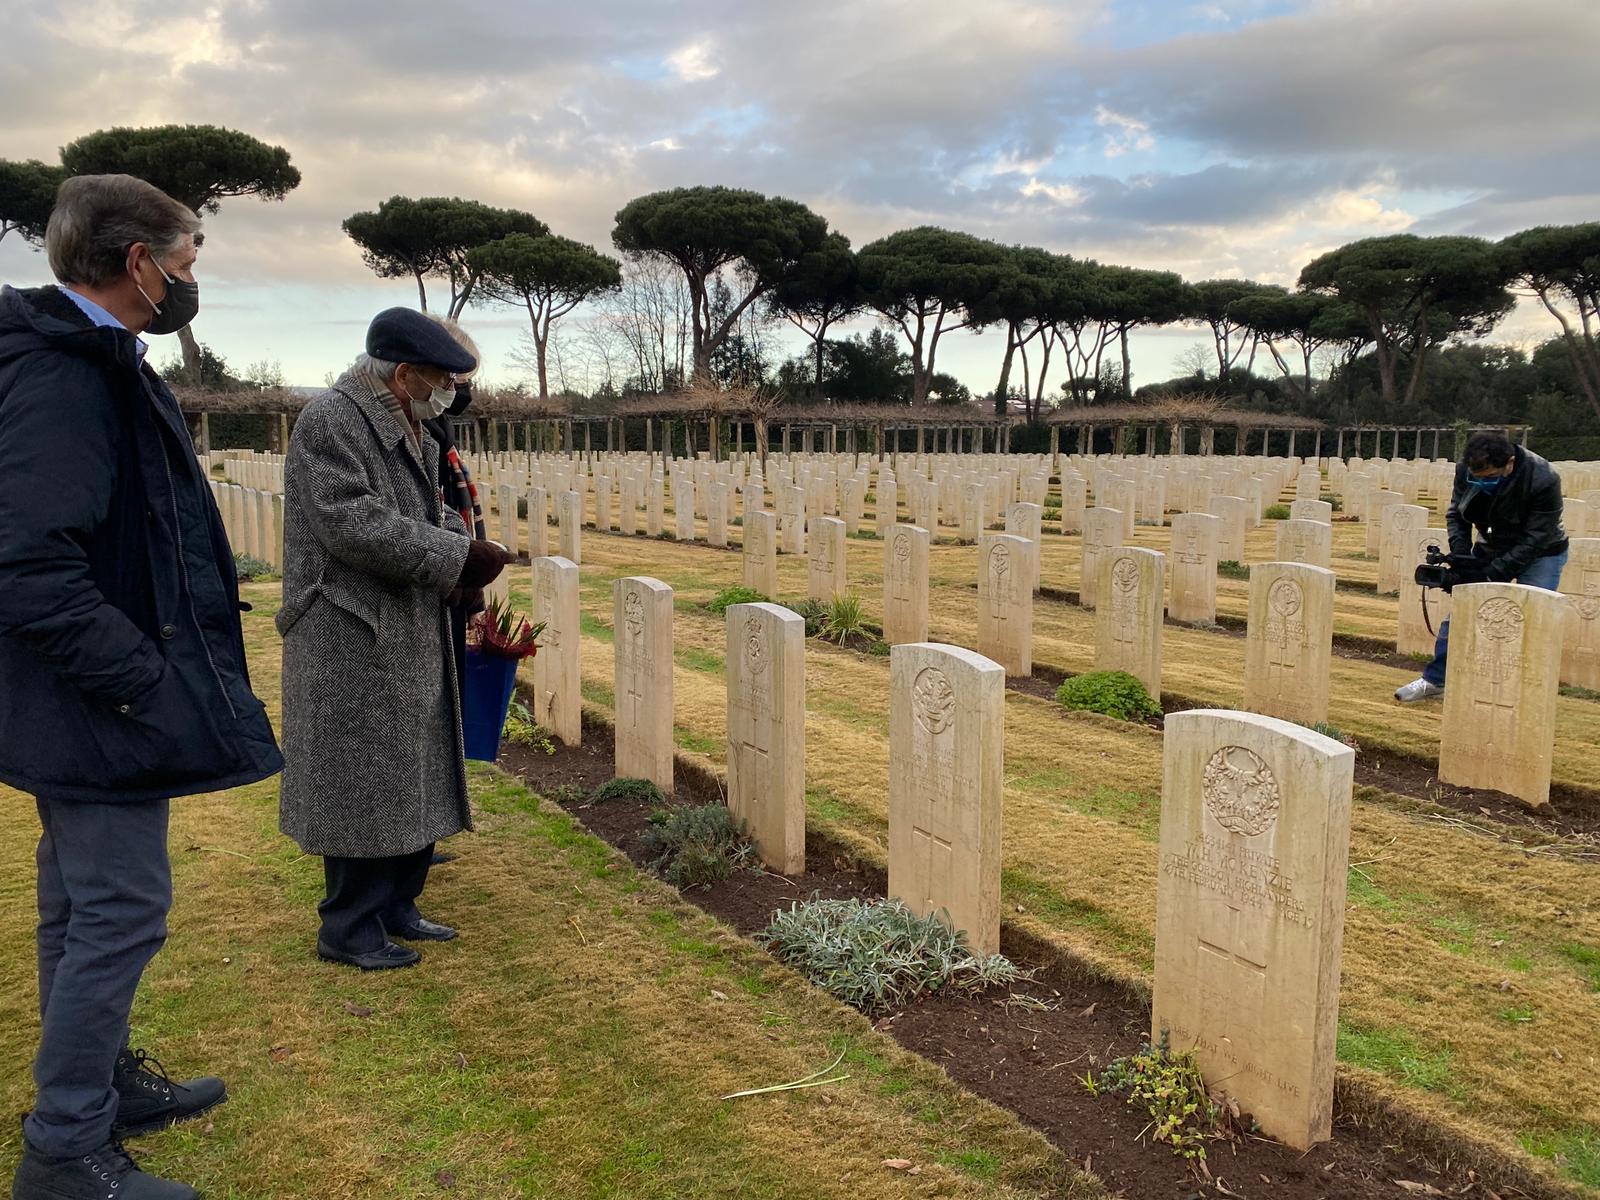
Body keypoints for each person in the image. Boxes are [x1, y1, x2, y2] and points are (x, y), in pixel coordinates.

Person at [0, 174, 283, 1200]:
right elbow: (28, 564)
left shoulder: (92, 357)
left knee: (79, 903)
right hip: (92, 697)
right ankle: (66, 1148)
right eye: (186, 263)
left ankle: (97, 1084)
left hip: (76, 696)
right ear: (138, 263)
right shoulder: (66, 375)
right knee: (121, 909)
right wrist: (144, 684)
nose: (190, 282)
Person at [276, 308, 512, 972]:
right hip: (351, 628)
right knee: (363, 782)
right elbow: (349, 519)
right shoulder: (332, 420)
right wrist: (454, 556)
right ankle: (349, 927)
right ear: (405, 374)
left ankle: (398, 904)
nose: (449, 392)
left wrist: (465, 552)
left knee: (412, 772)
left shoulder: (407, 422)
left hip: (404, 619)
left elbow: (421, 509)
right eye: (442, 379)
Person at [1394, 432, 1568, 701]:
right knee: (1463, 611)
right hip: (1491, 544)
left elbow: (1537, 537)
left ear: (1510, 463)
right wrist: (1461, 555)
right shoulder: (1466, 469)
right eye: (1477, 478)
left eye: (1490, 477)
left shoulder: (1543, 479)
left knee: (1532, 619)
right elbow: (1457, 514)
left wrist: (1491, 574)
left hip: (1541, 552)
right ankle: (1435, 680)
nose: (1482, 483)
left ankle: (1525, 692)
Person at [420, 317, 489, 868]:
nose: (462, 390)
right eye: (458, 379)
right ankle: (416, 835)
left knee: (445, 715)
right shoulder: (424, 433)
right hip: (435, 588)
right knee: (427, 717)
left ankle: (424, 833)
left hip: (453, 588)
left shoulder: (440, 431)